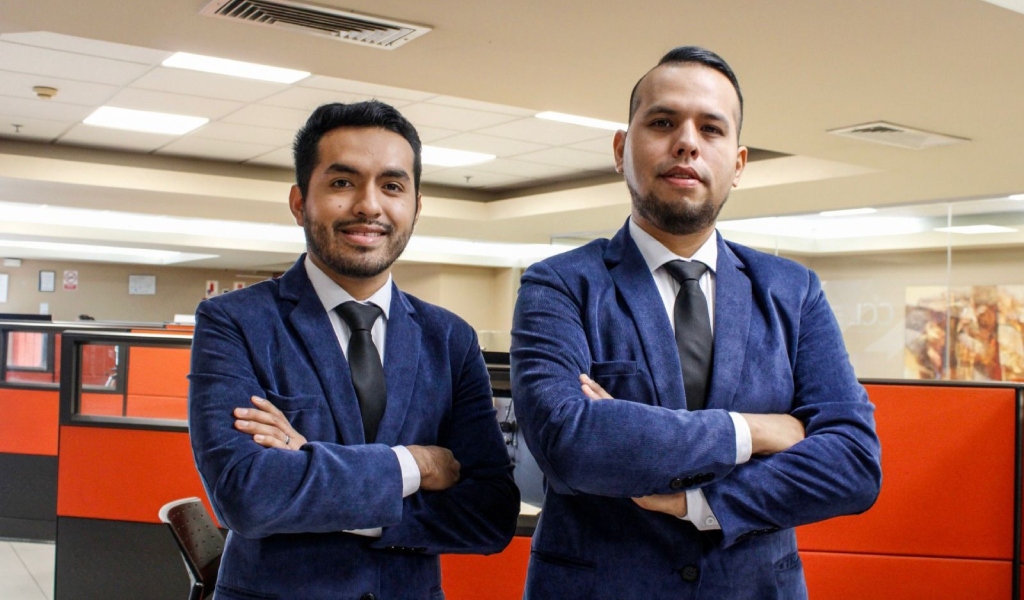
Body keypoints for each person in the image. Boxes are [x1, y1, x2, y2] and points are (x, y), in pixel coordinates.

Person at [511, 46, 881, 599]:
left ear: (738, 163)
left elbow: (853, 464)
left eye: (711, 128)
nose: (687, 142)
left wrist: (699, 501)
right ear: (621, 149)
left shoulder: (792, 291)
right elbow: (570, 444)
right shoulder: (560, 284)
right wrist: (755, 431)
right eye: (663, 122)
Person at [188, 101, 520, 600]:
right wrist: (414, 465)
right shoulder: (235, 322)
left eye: (392, 186)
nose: (369, 205)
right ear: (300, 202)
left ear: (416, 206)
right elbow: (247, 496)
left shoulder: (450, 339)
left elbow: (490, 515)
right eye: (343, 182)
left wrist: (311, 471)